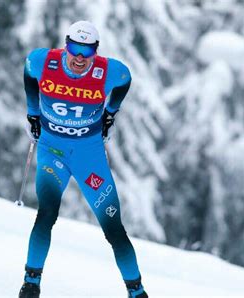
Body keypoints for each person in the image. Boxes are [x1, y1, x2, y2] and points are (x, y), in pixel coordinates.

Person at [19, 21, 148, 298]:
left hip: (89, 157)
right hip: (53, 150)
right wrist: (32, 112)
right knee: (46, 213)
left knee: (114, 229)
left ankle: (137, 292)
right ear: (66, 45)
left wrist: (111, 112)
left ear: (95, 52)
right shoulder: (45, 61)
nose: (79, 58)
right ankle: (31, 284)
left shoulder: (108, 71)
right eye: (75, 48)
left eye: (87, 51)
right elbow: (29, 70)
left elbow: (125, 79)